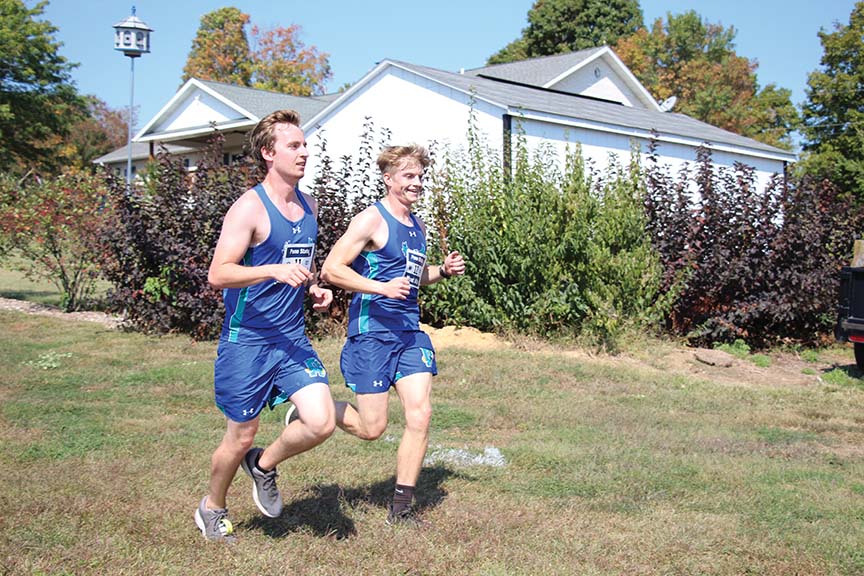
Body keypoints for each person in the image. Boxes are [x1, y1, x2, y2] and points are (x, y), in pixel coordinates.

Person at [194, 109, 335, 542]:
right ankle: (211, 507)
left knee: (320, 422)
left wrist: (311, 288)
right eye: (294, 146)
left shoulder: (309, 205)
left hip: (291, 337)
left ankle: (264, 465)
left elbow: (298, 263)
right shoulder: (249, 208)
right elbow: (219, 273)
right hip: (248, 341)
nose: (304, 152)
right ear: (268, 153)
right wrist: (271, 271)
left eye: (305, 144)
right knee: (239, 436)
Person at [319, 144, 465, 526]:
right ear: (388, 179)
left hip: (408, 332)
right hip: (372, 333)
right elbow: (331, 269)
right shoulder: (371, 220)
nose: (417, 183)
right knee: (372, 428)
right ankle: (314, 408)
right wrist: (380, 288)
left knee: (422, 413)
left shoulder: (418, 226)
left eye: (420, 176)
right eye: (408, 176)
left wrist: (442, 272)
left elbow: (414, 278)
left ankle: (401, 510)